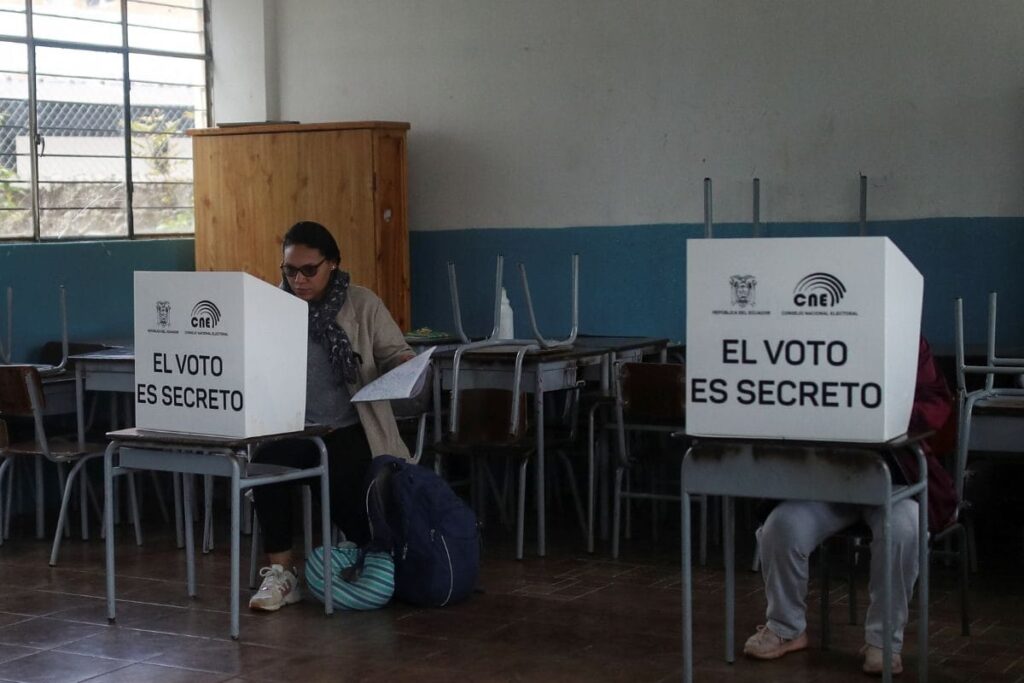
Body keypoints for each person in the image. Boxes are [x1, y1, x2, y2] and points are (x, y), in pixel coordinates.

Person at [743, 336, 956, 676]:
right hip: (826, 477)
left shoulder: (908, 339)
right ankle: (786, 628)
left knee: (905, 529)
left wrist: (882, 409)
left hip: (894, 477)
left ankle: (884, 643)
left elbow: (937, 404)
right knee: (780, 528)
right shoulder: (808, 336)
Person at [248, 220, 414, 612]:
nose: (299, 280)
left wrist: (403, 363)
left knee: (345, 474)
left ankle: (367, 560)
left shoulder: (361, 303)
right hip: (295, 427)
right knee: (265, 467)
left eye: (309, 270)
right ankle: (282, 573)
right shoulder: (273, 309)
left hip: (351, 424)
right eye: (290, 271)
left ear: (332, 265)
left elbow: (395, 352)